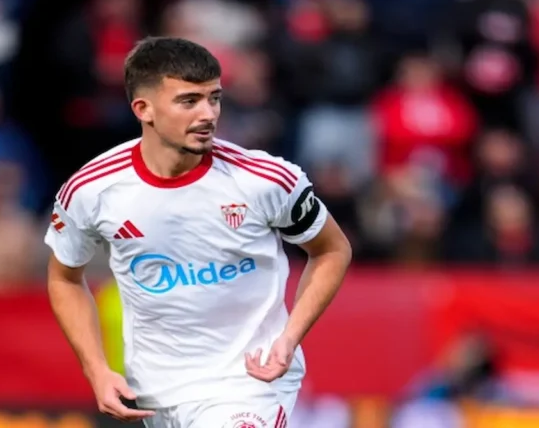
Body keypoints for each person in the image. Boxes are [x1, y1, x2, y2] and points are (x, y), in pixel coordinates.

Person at [44, 37, 352, 428]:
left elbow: (331, 250)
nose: (208, 113)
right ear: (144, 109)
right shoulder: (93, 190)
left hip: (248, 381)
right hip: (155, 391)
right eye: (189, 101)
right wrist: (96, 369)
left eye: (214, 98)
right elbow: (65, 278)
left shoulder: (264, 180)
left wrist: (290, 337)